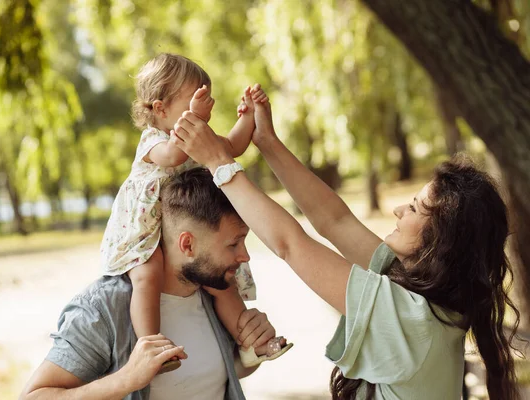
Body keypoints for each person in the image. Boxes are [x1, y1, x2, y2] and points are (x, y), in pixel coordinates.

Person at [170, 86, 521, 400]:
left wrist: (219, 162)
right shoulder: (427, 299)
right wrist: (268, 143)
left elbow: (289, 244)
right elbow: (334, 220)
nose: (399, 209)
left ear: (439, 243)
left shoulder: (408, 319)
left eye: (414, 208)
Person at [20, 167, 288, 400]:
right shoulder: (103, 310)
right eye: (233, 244)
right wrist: (126, 379)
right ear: (188, 244)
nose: (245, 255)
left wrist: (251, 350)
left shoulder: (213, 292)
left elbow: (218, 375)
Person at [99, 53, 290, 372]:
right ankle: (152, 348)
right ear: (160, 109)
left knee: (220, 280)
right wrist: (196, 121)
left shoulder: (196, 135)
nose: (207, 107)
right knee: (148, 274)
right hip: (147, 235)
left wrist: (247, 116)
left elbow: (231, 146)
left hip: (186, 228)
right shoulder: (154, 141)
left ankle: (250, 344)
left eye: (207, 98)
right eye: (196, 99)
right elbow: (174, 156)